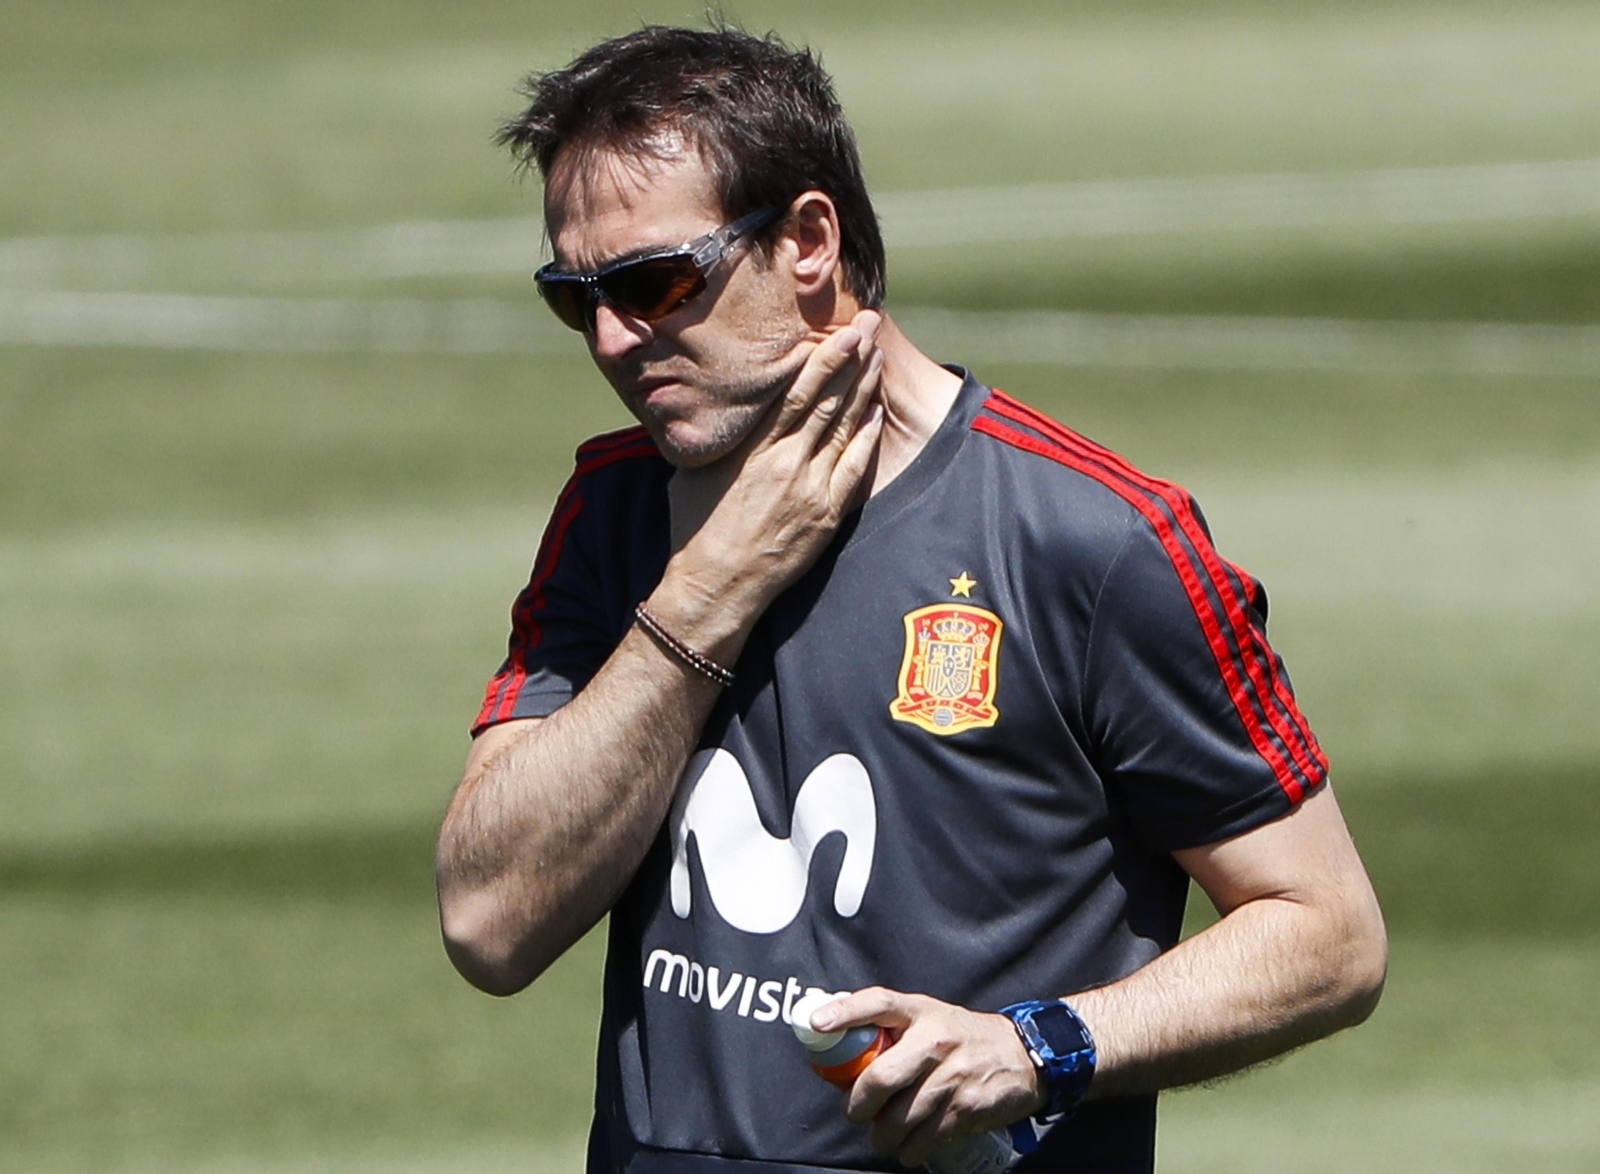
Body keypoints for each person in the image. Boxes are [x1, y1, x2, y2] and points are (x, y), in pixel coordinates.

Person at [436, 24, 1386, 1174]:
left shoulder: (1091, 541)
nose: (609, 337)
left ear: (805, 241)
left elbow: (1327, 934)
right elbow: (489, 920)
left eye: (652, 281)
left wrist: (1038, 1049)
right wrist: (705, 594)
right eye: (570, 296)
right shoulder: (615, 514)